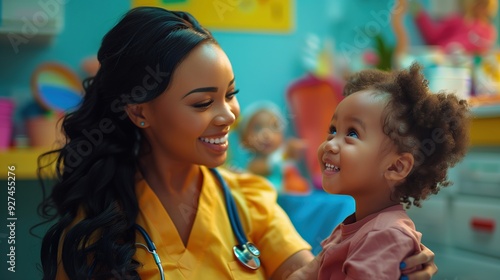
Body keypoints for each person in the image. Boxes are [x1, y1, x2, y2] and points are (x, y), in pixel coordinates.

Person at [36, 6, 438, 280]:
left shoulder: (248, 199)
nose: (228, 114)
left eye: (230, 93)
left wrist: (387, 255)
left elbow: (311, 273)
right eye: (202, 102)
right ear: (140, 111)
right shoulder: (94, 230)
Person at [288, 63, 469, 280]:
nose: (330, 144)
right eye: (333, 130)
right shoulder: (351, 228)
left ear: (396, 167)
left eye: (352, 134)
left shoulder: (384, 235)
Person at [237, 101, 309, 193]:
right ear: (245, 139)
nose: (266, 134)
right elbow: (270, 165)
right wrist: (286, 154)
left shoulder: (282, 155)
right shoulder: (254, 164)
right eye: (257, 128)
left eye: (274, 127)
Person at [410, 0, 497, 55]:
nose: (482, 8)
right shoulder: (457, 21)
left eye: (484, 5)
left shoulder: (488, 31)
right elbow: (433, 36)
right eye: (479, 3)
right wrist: (420, 15)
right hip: (442, 62)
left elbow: (480, 50)